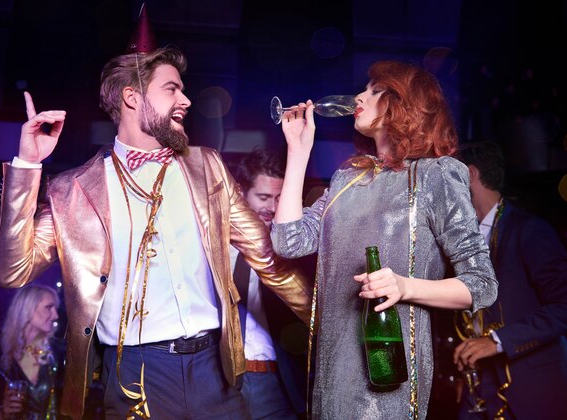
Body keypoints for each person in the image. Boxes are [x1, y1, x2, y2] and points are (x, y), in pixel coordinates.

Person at [0, 13, 312, 420]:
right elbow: (10, 271)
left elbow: (270, 259)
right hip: (135, 375)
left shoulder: (207, 167)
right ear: (131, 97)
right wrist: (26, 166)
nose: (186, 100)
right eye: (172, 89)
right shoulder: (73, 191)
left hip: (217, 370)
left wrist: (328, 318)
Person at [270, 60, 498, 419]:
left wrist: (404, 287)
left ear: (404, 103)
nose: (360, 95)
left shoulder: (436, 174)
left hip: (387, 377)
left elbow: (482, 285)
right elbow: (289, 242)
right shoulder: (347, 175)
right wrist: (298, 154)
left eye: (375, 90)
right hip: (331, 374)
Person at [453, 140, 567, 420]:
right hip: (474, 390)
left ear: (469, 174)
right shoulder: (459, 237)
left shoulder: (530, 230)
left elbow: (564, 307)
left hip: (529, 394)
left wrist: (497, 341)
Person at [232, 148, 309, 419]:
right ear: (240, 193)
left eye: (279, 197)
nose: (273, 207)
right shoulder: (214, 246)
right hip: (221, 382)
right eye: (263, 197)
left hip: (277, 382)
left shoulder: (296, 252)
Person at [0, 284, 65, 419]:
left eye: (55, 309)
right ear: (28, 309)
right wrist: (1, 415)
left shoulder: (57, 354)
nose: (55, 316)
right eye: (49, 307)